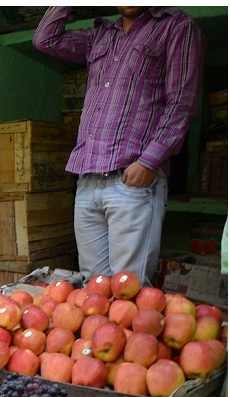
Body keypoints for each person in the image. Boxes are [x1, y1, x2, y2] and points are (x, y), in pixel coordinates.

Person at [32, 7, 204, 282]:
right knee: (95, 289)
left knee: (128, 287)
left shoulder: (176, 26)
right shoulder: (101, 35)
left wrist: (150, 161)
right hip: (88, 179)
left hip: (133, 178)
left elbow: (182, 103)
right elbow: (45, 39)